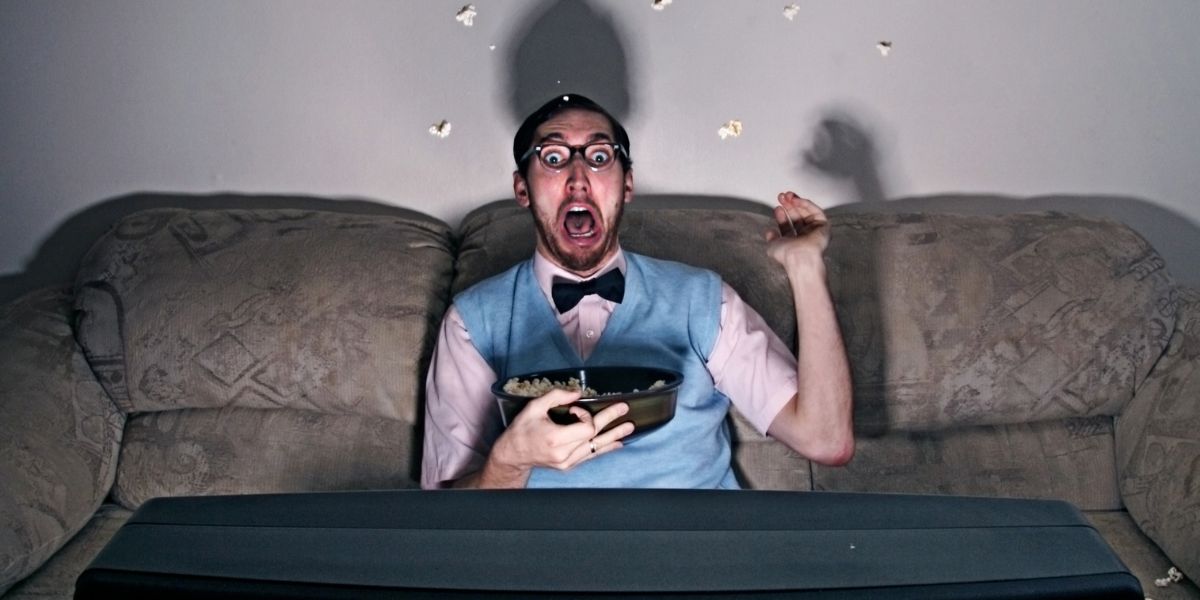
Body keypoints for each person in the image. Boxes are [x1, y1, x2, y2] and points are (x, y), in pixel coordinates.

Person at [421, 93, 853, 489]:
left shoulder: (705, 299)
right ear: (523, 189)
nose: (577, 179)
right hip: (547, 550)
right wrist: (509, 462)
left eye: (599, 157)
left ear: (627, 184)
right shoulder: (471, 323)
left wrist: (805, 267)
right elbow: (443, 516)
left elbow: (826, 440)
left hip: (697, 545)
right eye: (553, 158)